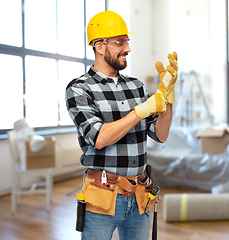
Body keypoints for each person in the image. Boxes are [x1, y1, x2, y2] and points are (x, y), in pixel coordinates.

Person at [65, 10, 178, 240]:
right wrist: (139, 112)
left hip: (139, 194)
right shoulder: (79, 89)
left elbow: (161, 134)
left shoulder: (136, 86)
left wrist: (167, 101)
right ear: (99, 46)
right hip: (103, 195)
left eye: (127, 41)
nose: (127, 48)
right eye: (120, 42)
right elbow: (99, 138)